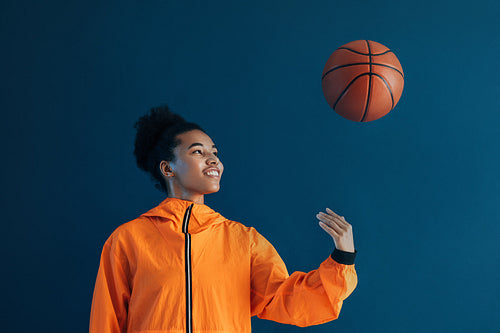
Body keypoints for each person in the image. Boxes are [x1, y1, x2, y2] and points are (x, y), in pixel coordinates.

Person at [89, 105, 358, 333]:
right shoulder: (128, 239)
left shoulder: (244, 242)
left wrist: (342, 260)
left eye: (215, 153)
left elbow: (288, 301)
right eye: (198, 152)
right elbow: (106, 322)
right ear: (167, 168)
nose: (213, 160)